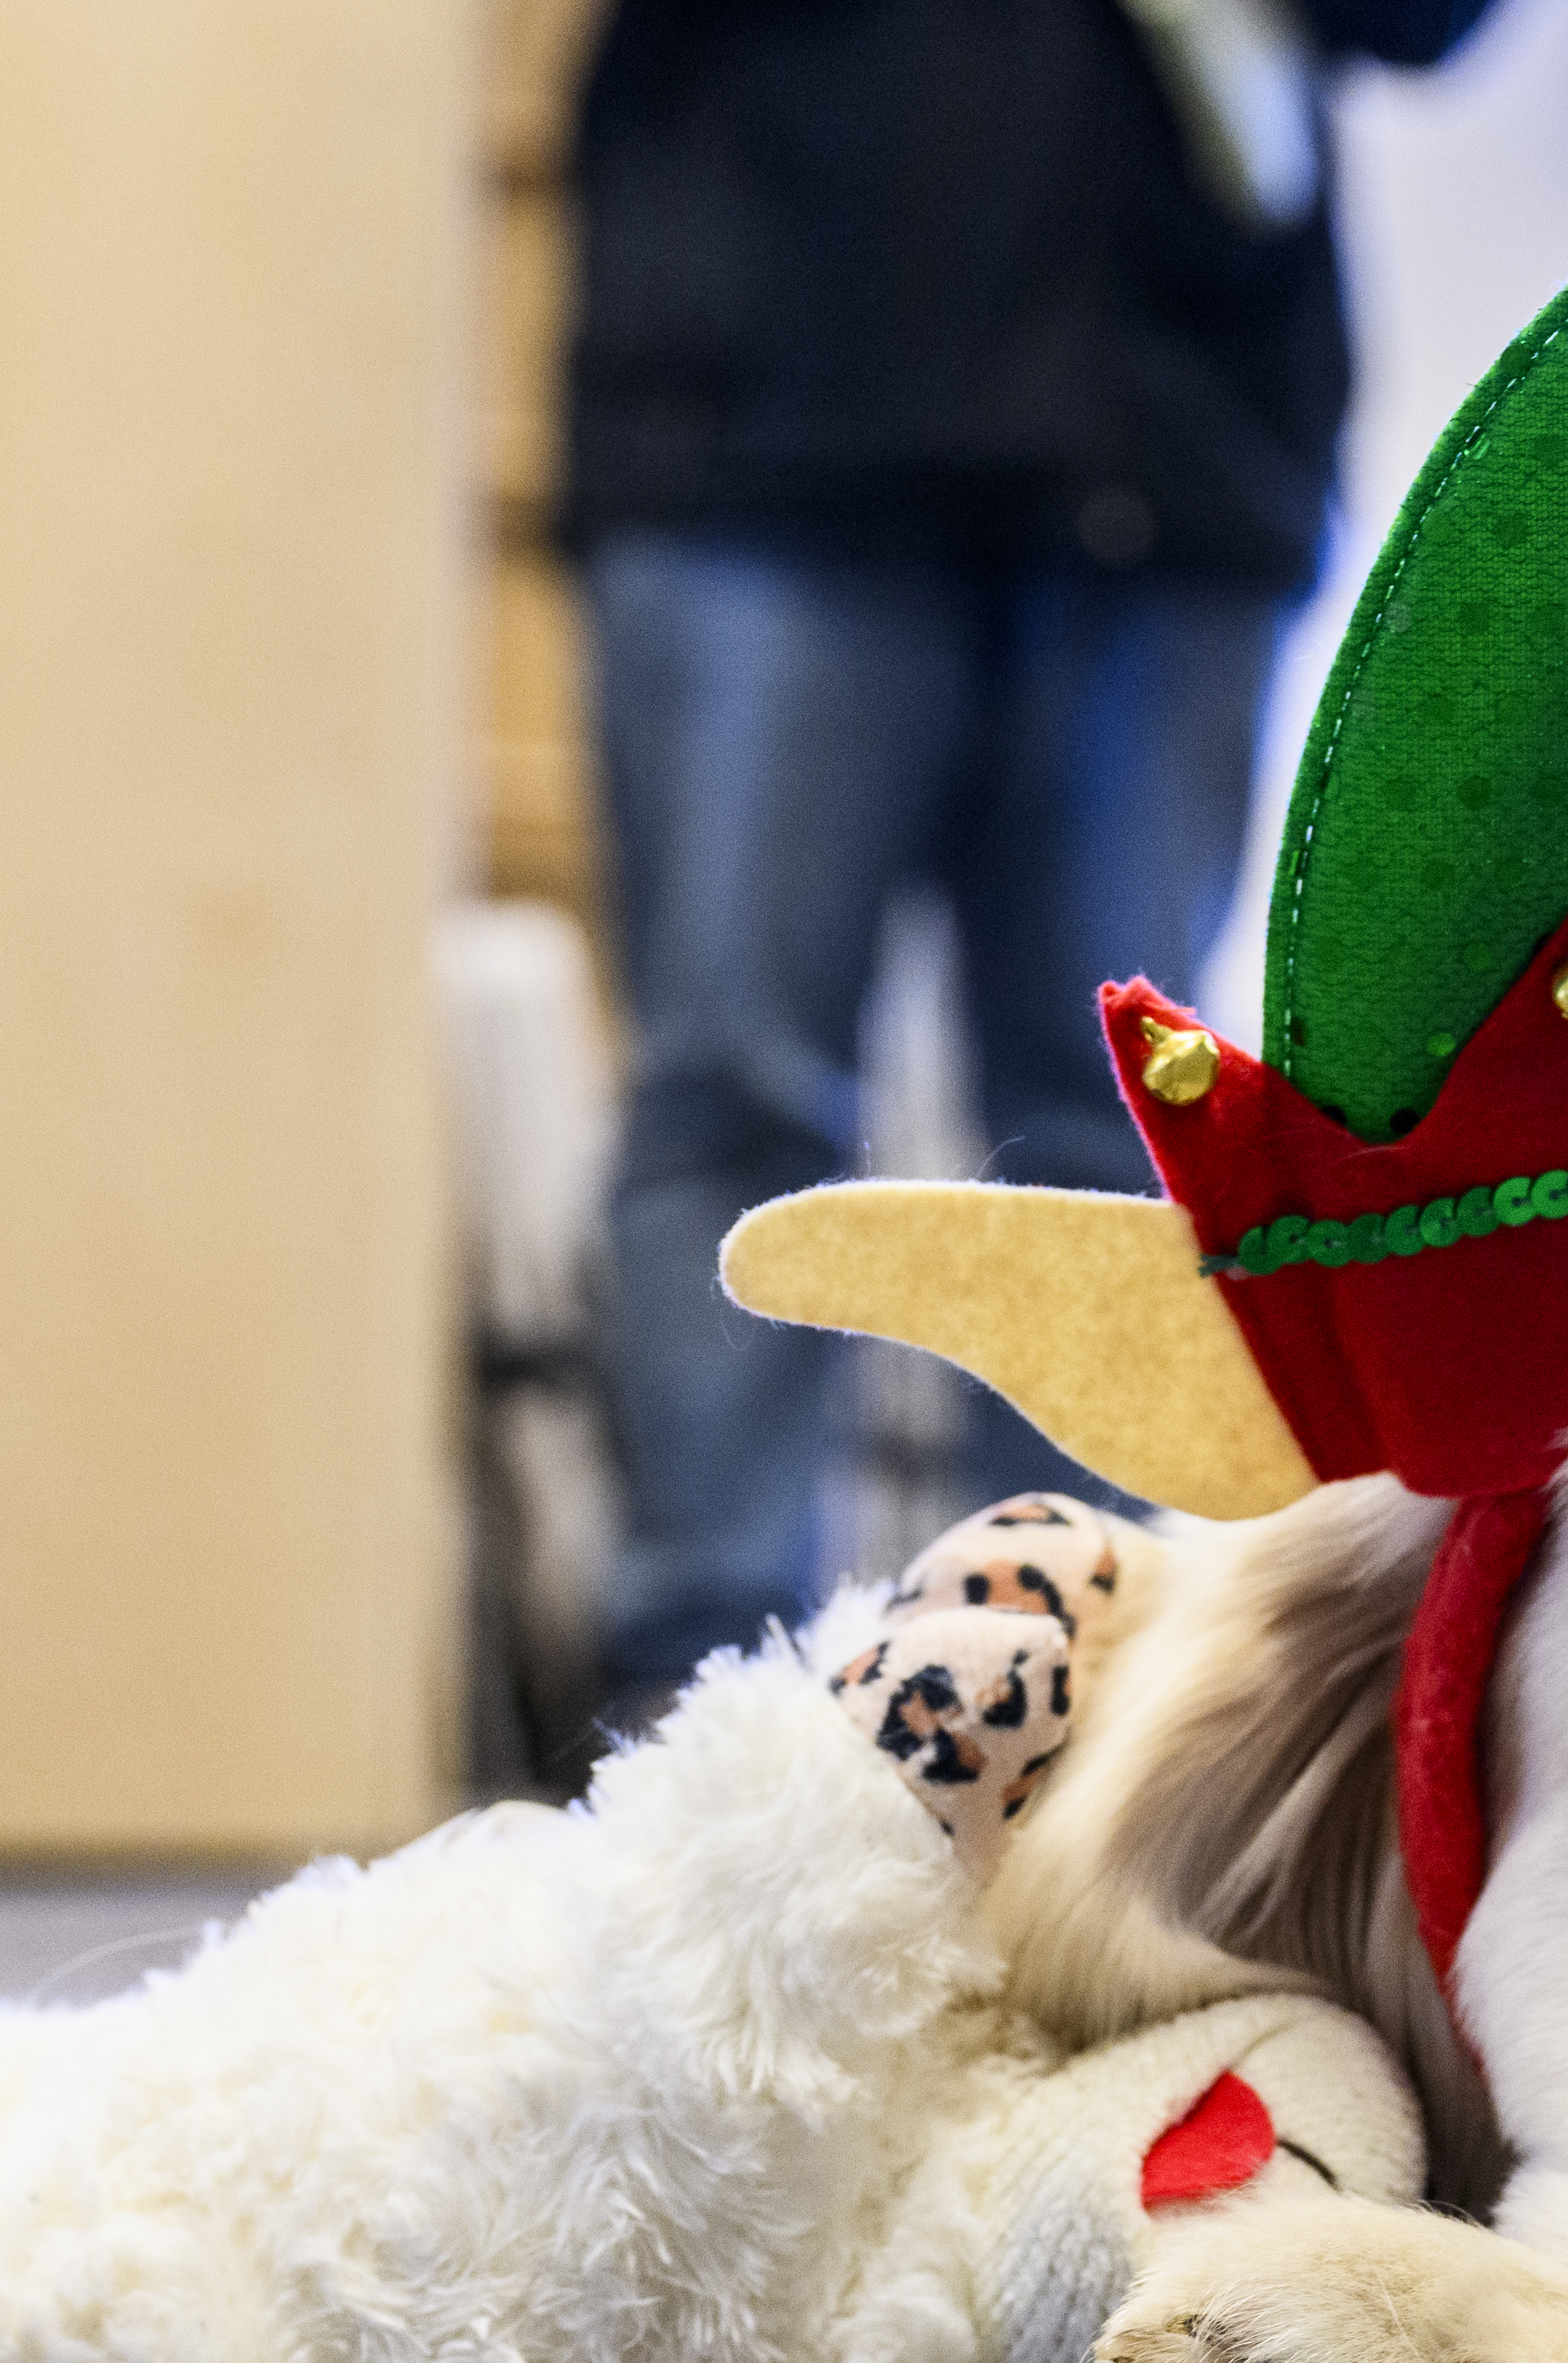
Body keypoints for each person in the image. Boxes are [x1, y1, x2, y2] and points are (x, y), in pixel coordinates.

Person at [560, 0, 1492, 1720]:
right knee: (730, 1106)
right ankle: (682, 1720)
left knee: (1101, 1137)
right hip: (752, 419)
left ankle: (1052, 1707)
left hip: (1166, 440)